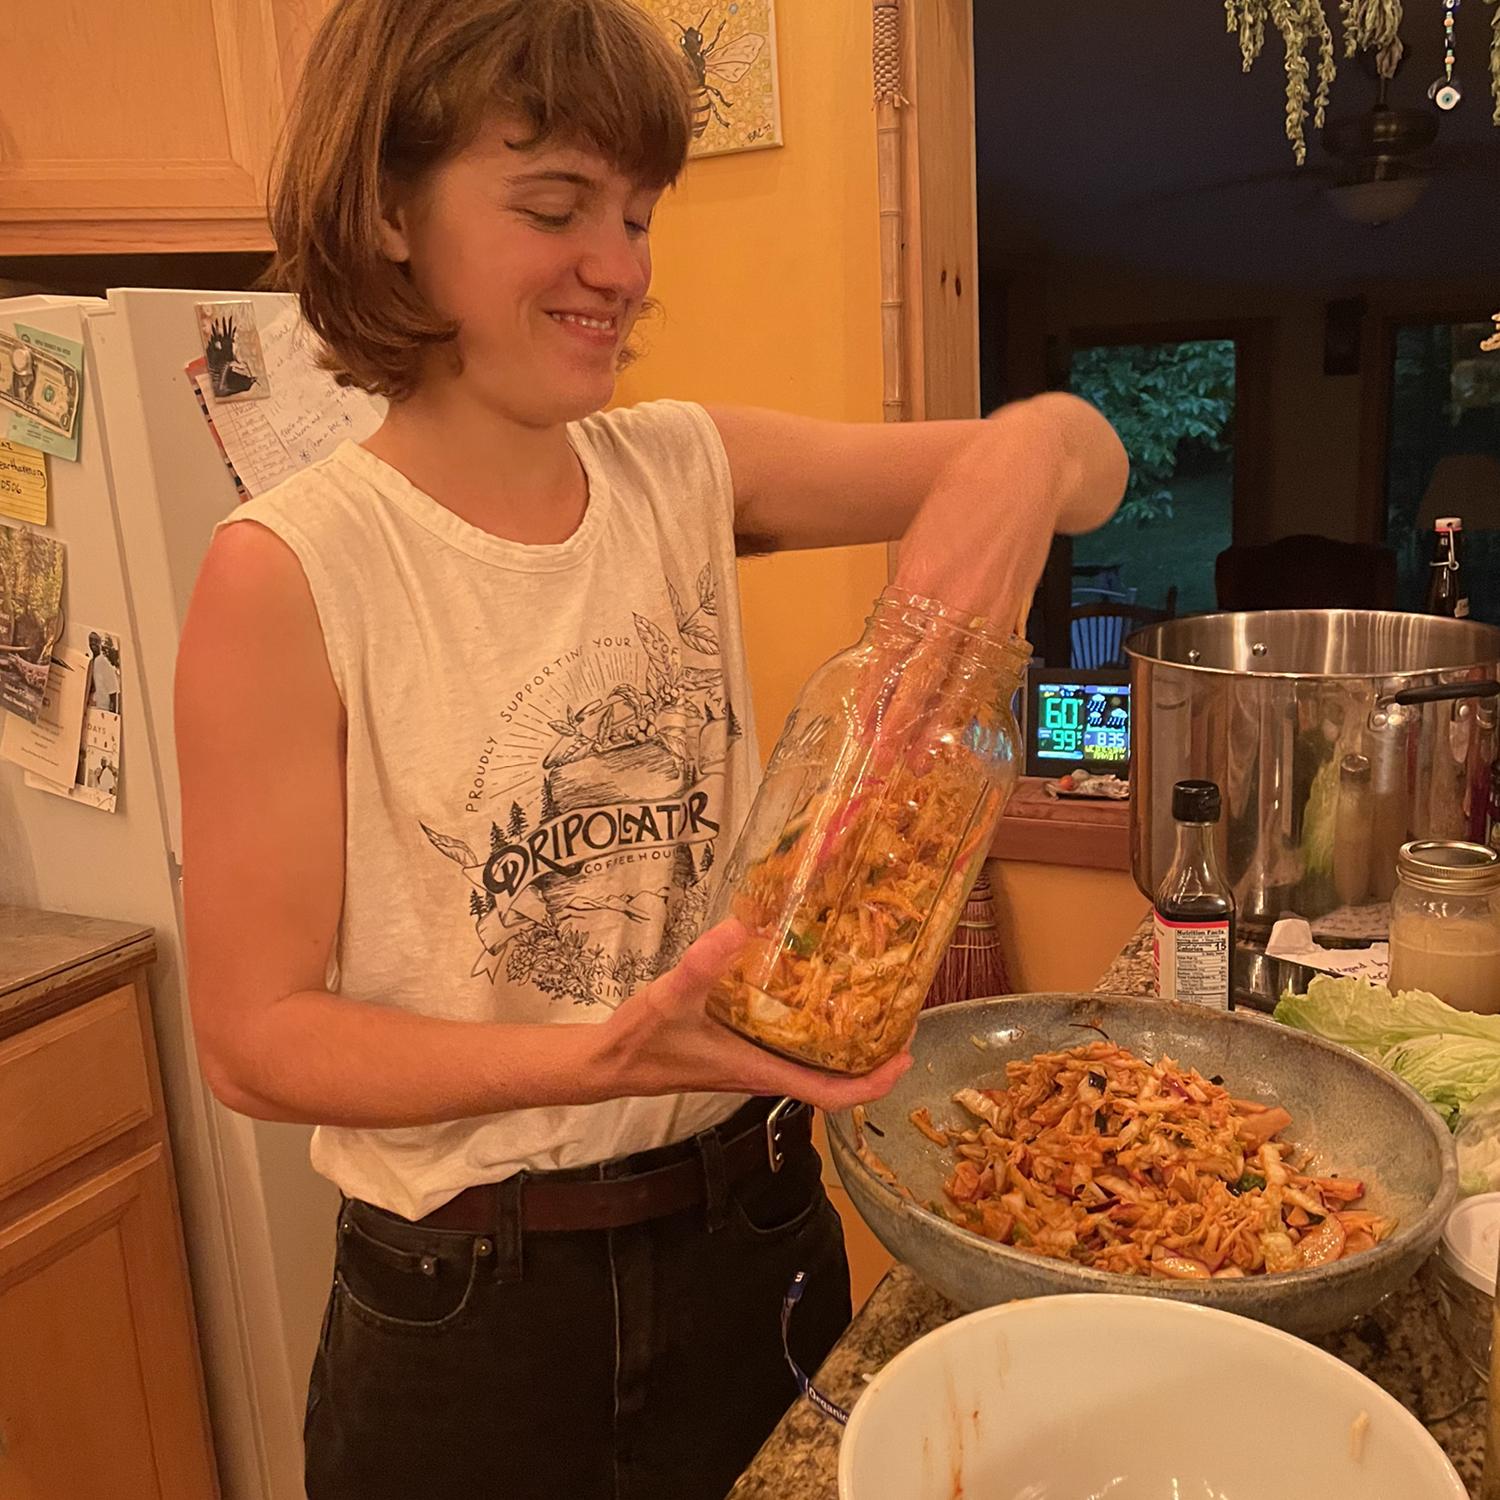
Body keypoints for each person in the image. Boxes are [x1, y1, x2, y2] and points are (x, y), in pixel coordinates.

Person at [173, 4, 1127, 1499]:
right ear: (389, 213)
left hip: (757, 1232)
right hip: (468, 1311)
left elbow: (1091, 461)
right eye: (555, 207)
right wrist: (597, 1058)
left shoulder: (683, 468)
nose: (620, 267)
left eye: (635, 214)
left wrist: (1025, 456)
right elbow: (253, 1039)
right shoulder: (292, 568)